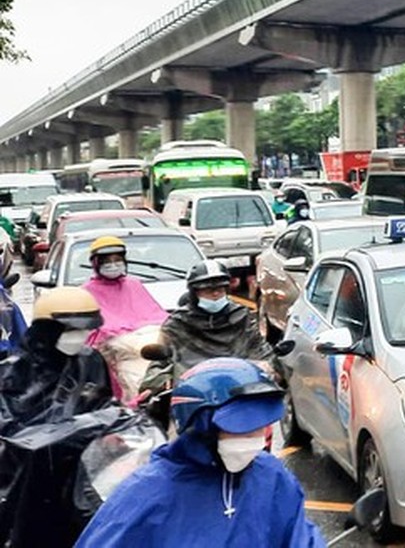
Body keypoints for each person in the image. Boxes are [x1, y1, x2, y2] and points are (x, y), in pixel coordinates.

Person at [76, 357, 322, 548]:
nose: (254, 439)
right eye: (240, 428)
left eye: (259, 427)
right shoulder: (146, 494)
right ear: (202, 428)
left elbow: (300, 537)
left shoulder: (272, 477)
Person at [141, 260, 274, 402]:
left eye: (220, 289)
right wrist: (153, 385)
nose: (216, 294)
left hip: (240, 389)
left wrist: (270, 367)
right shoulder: (178, 323)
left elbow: (260, 350)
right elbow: (161, 361)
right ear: (194, 293)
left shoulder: (242, 317)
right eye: (208, 290)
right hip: (193, 393)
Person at [0, 287, 111, 426]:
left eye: (85, 329)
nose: (80, 336)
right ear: (46, 329)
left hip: (87, 444)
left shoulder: (90, 360)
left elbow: (103, 406)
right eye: (71, 330)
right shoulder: (10, 373)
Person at [82, 235, 168, 401]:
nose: (113, 264)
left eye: (117, 259)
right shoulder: (86, 292)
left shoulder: (134, 285)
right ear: (96, 263)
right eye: (107, 261)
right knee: (135, 385)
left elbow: (157, 316)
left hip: (151, 352)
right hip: (118, 358)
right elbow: (90, 334)